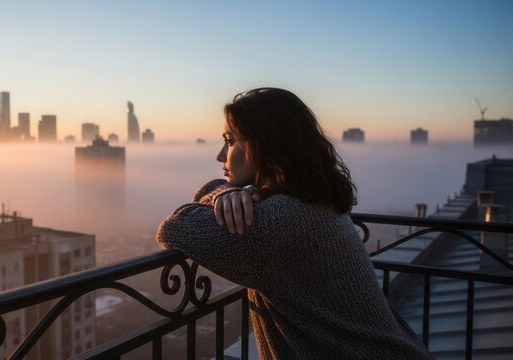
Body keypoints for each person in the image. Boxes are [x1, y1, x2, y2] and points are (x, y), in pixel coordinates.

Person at [156, 88, 433, 359]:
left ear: (265, 145)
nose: (220, 155)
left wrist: (223, 192)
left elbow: (175, 226)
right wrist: (230, 192)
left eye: (230, 141)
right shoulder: (314, 201)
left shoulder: (278, 221)